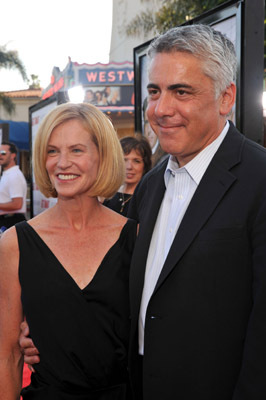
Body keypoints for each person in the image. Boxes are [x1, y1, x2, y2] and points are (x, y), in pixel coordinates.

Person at [19, 24, 266, 400]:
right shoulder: (151, 187)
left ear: (225, 97)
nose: (161, 109)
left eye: (181, 91)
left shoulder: (259, 179)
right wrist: (49, 331)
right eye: (155, 91)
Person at [0, 102, 137, 399]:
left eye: (76, 150)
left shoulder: (136, 238)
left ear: (102, 156)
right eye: (52, 151)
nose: (62, 163)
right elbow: (8, 354)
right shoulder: (14, 244)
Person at [103, 136, 152, 216]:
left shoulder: (148, 199)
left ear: (145, 165)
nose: (129, 167)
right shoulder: (108, 195)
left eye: (136, 161)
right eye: (124, 160)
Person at [0, 141, 27, 230]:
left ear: (13, 155)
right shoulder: (8, 174)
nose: (0, 155)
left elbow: (17, 204)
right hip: (7, 221)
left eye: (3, 153)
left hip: (11, 221)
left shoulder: (14, 175)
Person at [142, 97, 167, 167]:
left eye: (153, 123)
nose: (149, 131)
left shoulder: (167, 157)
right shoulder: (142, 154)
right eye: (147, 122)